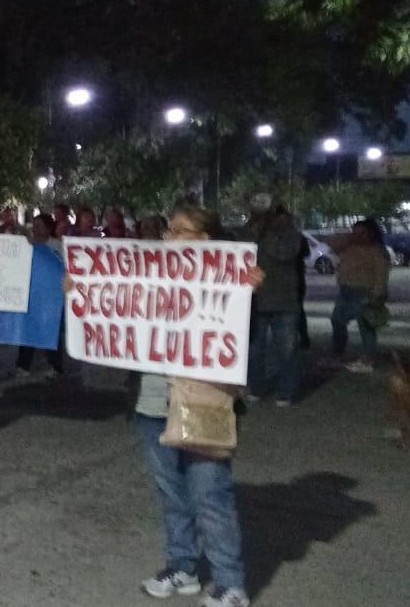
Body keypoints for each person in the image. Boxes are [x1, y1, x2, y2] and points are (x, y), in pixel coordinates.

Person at [121, 204, 256, 607]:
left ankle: (230, 584)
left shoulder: (230, 280)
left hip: (203, 399)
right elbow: (112, 306)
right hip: (151, 398)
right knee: (172, 493)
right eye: (168, 230)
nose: (169, 237)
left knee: (210, 495)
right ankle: (183, 568)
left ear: (206, 240)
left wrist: (247, 287)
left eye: (181, 231)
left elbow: (237, 330)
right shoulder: (147, 275)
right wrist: (83, 290)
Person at [243, 195, 304, 405]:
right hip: (256, 301)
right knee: (254, 350)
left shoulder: (291, 235)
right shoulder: (250, 230)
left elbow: (284, 253)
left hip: (284, 302)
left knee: (286, 350)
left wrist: (265, 232)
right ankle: (256, 387)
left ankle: (285, 391)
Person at [324, 219, 390, 374]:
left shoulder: (377, 251)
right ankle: (337, 354)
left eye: (362, 233)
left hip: (364, 291)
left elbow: (381, 275)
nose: (358, 236)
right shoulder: (349, 246)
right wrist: (350, 237)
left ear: (371, 233)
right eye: (355, 233)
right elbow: (331, 243)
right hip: (346, 290)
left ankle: (368, 359)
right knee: (337, 321)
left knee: (365, 326)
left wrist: (377, 295)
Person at [16, 213, 66, 379]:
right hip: (31, 294)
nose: (35, 228)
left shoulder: (58, 246)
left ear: (49, 227)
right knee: (28, 329)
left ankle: (55, 366)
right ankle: (23, 366)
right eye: (34, 225)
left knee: (51, 331)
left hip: (52, 297)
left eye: (39, 225)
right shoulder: (27, 245)